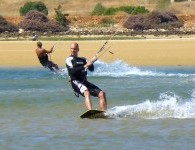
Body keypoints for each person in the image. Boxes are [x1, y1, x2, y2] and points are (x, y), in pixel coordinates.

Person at [66, 42, 107, 111]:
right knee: (86, 92)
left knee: (102, 93)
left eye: (75, 49)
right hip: (76, 81)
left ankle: (104, 112)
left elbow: (91, 69)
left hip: (84, 82)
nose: (73, 50)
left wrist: (91, 63)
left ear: (78, 49)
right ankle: (90, 111)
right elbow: (72, 71)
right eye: (72, 49)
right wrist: (85, 66)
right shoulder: (69, 59)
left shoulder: (83, 59)